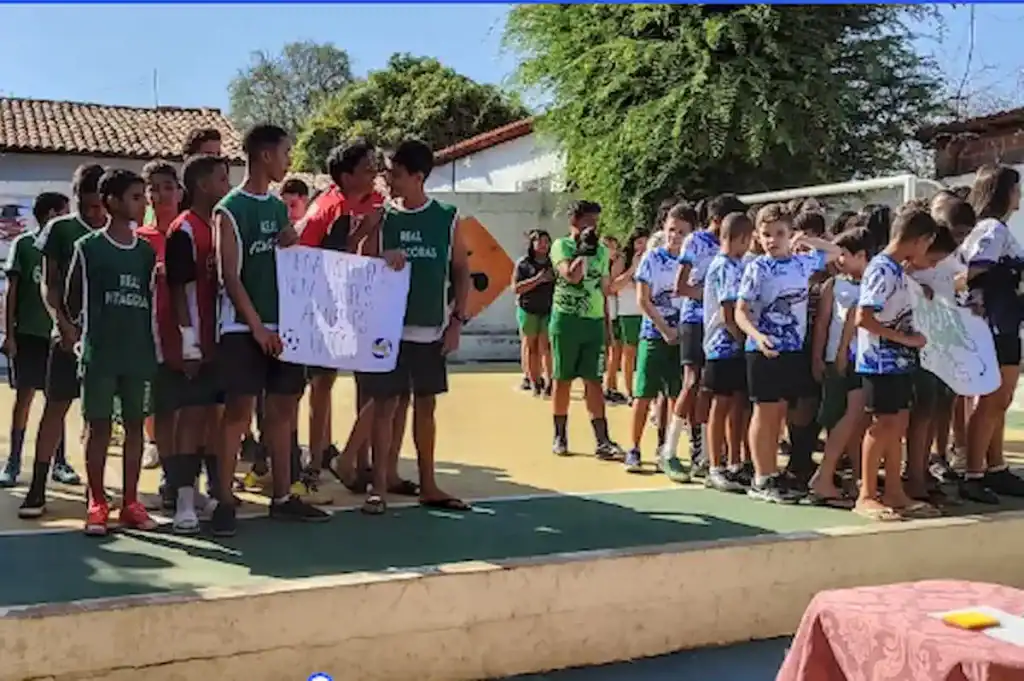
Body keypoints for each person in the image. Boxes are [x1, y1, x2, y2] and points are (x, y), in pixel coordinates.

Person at [215, 123, 329, 535]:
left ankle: (283, 497)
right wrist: (258, 327)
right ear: (265, 156)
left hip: (286, 326)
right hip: (243, 329)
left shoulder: (280, 209)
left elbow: (290, 260)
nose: (288, 161)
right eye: (285, 152)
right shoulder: (228, 209)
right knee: (238, 414)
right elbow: (230, 275)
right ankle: (224, 502)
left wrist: (293, 241)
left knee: (283, 411)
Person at [357, 138, 469, 514]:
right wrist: (376, 251)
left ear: (418, 176)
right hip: (388, 332)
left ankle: (429, 484)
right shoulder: (382, 216)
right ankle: (378, 488)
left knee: (426, 408)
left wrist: (456, 322)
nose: (389, 179)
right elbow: (359, 261)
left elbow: (461, 270)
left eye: (396, 173)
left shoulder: (447, 217)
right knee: (385, 407)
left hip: (430, 331)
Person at [65, 168, 159, 535]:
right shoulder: (87, 248)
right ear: (112, 202)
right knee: (98, 426)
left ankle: (131, 502)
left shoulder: (146, 253)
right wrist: (78, 333)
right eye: (136, 196)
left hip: (138, 352)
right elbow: (73, 300)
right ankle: (97, 502)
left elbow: (151, 302)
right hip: (100, 353)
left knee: (136, 426)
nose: (143, 202)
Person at [296, 139, 388, 497]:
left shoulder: (382, 203)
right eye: (367, 168)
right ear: (346, 176)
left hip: (370, 311)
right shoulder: (324, 210)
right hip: (326, 315)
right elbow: (304, 262)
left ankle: (359, 461)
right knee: (322, 386)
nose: (374, 173)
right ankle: (316, 462)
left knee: (374, 384)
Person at [17, 164, 108, 518]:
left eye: (99, 205)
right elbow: (49, 283)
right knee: (55, 407)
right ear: (77, 199)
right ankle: (37, 487)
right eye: (87, 206)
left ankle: (95, 492)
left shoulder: (120, 231)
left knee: (97, 417)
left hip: (104, 341)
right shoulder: (59, 230)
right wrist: (63, 323)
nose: (94, 213)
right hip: (66, 339)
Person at [735, 203, 839, 504]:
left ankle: (772, 472)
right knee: (764, 412)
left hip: (793, 349)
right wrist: (757, 335)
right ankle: (761, 476)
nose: (773, 240)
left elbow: (834, 252)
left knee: (780, 412)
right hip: (763, 349)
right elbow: (741, 311)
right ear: (758, 236)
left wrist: (807, 240)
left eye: (779, 233)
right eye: (766, 234)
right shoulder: (757, 267)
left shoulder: (802, 263)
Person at [157, 154, 232, 533]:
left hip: (218, 340)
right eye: (223, 178)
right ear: (203, 185)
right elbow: (179, 288)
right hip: (193, 341)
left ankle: (206, 491)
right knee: (191, 416)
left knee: (211, 419)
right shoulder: (184, 230)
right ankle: (183, 499)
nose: (228, 185)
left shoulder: (219, 226)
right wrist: (189, 343)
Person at [853, 205, 938, 521]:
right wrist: (904, 339)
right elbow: (865, 317)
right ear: (920, 240)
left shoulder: (898, 270)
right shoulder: (881, 268)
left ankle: (893, 490)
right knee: (883, 424)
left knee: (898, 424)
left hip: (899, 361)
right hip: (880, 361)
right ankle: (866, 494)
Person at [0, 192, 80, 488]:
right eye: (64, 212)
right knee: (24, 398)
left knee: (57, 401)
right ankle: (13, 461)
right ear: (49, 215)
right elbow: (11, 293)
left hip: (58, 336)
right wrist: (9, 334)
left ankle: (59, 462)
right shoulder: (23, 245)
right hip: (29, 334)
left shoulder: (69, 246)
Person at [665, 194, 746, 476]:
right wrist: (713, 295)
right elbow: (681, 287)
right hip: (694, 319)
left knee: (716, 391)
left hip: (720, 326)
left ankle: (707, 452)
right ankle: (670, 449)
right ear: (717, 220)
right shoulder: (696, 241)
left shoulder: (737, 251)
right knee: (692, 381)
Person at [960, 165, 1024, 502]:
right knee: (992, 398)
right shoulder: (991, 229)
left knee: (1001, 399)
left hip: (1007, 322)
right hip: (995, 324)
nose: (1019, 195)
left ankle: (995, 466)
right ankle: (973, 473)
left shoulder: (998, 230)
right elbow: (974, 268)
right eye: (1015, 189)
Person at [548, 200, 623, 459]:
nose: (593, 228)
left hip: (592, 322)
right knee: (563, 379)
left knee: (594, 380)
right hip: (566, 320)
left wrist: (608, 326)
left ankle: (602, 440)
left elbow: (604, 288)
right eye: (588, 222)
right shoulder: (562, 246)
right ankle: (560, 434)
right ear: (575, 222)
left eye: (596, 223)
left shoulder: (602, 252)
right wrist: (583, 251)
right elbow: (571, 276)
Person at [808, 227, 873, 505]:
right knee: (846, 416)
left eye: (845, 254)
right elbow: (824, 323)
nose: (839, 260)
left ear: (862, 256)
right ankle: (824, 475)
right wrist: (818, 357)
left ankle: (859, 476)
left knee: (858, 421)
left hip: (866, 358)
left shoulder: (872, 281)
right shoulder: (834, 285)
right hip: (843, 358)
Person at [625, 211, 687, 472]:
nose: (675, 236)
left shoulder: (691, 262)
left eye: (682, 232)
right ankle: (634, 448)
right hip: (653, 335)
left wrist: (681, 331)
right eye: (672, 230)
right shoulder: (653, 258)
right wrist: (664, 330)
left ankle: (666, 448)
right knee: (644, 394)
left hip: (682, 336)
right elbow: (643, 299)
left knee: (675, 395)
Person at [905, 224, 962, 505]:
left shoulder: (941, 269)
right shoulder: (901, 273)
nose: (935, 265)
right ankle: (912, 474)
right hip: (913, 352)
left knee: (929, 411)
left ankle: (922, 470)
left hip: (937, 350)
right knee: (918, 414)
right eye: (932, 259)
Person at [136, 161, 183, 500]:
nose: (161, 194)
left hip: (196, 339)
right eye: (153, 188)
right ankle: (170, 476)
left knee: (197, 415)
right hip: (154, 340)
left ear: (180, 191)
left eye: (167, 186)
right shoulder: (139, 240)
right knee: (163, 410)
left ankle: (198, 483)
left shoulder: (198, 231)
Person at [701, 212, 755, 493]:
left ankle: (735, 462)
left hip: (733, 348)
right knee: (720, 406)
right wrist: (742, 338)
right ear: (742, 239)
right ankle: (714, 465)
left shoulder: (736, 264)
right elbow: (727, 312)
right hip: (721, 346)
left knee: (738, 404)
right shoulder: (724, 266)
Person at [513, 229, 555, 397]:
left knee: (546, 346)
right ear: (532, 244)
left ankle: (550, 381)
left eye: (546, 241)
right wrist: (538, 279)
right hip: (528, 309)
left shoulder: (554, 263)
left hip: (549, 309)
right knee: (531, 347)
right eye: (540, 242)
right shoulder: (523, 264)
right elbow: (516, 288)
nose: (543, 245)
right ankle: (534, 381)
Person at [611, 228, 649, 404]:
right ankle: (629, 391)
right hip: (628, 312)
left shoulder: (654, 258)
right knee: (629, 351)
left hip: (648, 311)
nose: (643, 246)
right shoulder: (623, 260)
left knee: (646, 353)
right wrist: (633, 268)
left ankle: (646, 391)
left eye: (645, 242)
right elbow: (613, 286)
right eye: (639, 242)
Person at [602, 235, 628, 404]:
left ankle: (611, 385)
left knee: (616, 350)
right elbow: (609, 287)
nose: (614, 250)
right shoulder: (601, 264)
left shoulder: (614, 262)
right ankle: (608, 387)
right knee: (612, 349)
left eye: (615, 246)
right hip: (606, 309)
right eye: (609, 246)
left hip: (616, 309)